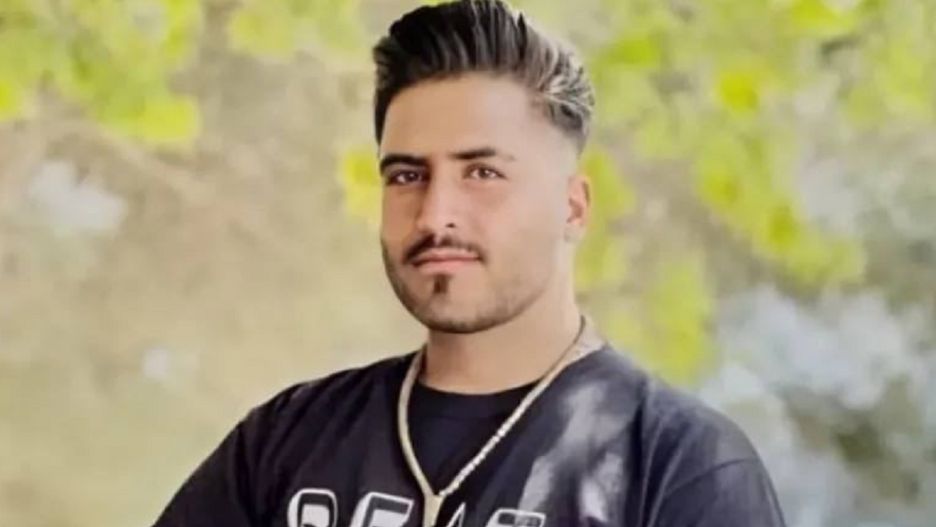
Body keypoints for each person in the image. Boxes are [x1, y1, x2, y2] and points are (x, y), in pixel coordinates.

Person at [153, 1, 787, 526]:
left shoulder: (678, 468)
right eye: (407, 175)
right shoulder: (287, 440)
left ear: (572, 207)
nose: (435, 215)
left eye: (482, 172)